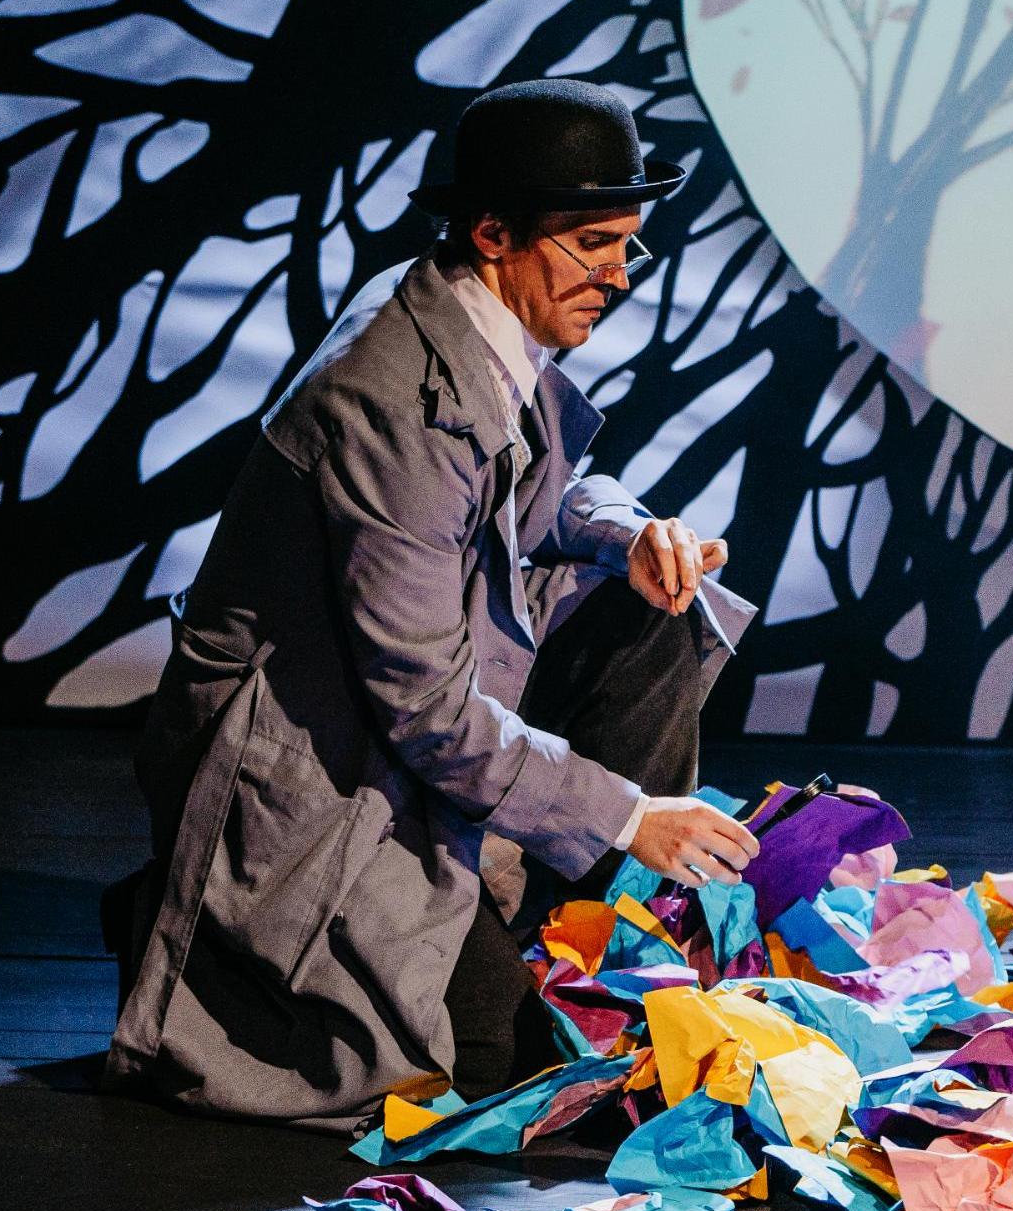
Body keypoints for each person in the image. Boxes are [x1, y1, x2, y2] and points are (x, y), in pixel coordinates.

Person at [105, 80, 761, 1128]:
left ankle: (565, 919)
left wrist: (628, 533)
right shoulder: (392, 398)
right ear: (494, 233)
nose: (620, 275)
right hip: (323, 763)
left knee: (658, 605)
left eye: (627, 243)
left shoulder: (473, 314)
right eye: (593, 245)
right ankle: (196, 933)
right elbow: (423, 708)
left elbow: (534, 495)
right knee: (492, 1059)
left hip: (412, 717)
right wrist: (632, 815)